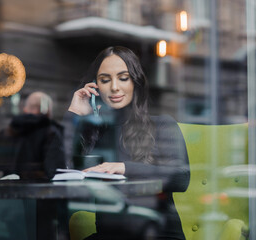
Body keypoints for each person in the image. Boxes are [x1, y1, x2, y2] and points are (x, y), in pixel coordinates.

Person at [67, 46, 190, 239]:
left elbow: (181, 177)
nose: (114, 87)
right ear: (95, 86)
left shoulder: (161, 124)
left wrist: (122, 168)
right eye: (105, 80)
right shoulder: (96, 133)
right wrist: (74, 115)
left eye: (123, 78)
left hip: (158, 234)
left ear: (135, 82)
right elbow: (59, 171)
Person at [0, 91, 67, 227]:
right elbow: (55, 175)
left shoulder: (6, 134)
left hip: (8, 207)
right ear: (48, 111)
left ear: (25, 110)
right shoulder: (51, 133)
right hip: (40, 211)